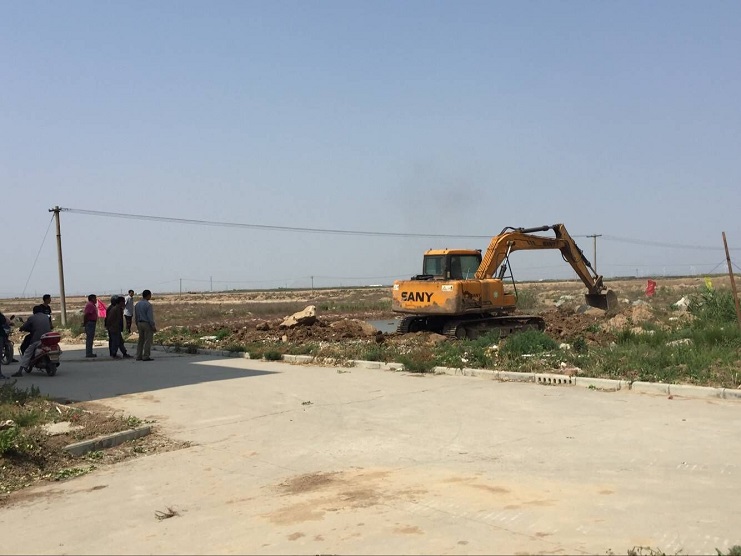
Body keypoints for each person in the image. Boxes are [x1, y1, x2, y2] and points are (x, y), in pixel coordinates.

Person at [14, 305, 52, 376]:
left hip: (38, 339)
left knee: (27, 353)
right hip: (47, 338)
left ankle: (20, 371)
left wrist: (21, 328)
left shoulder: (32, 318)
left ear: (34, 312)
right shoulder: (46, 317)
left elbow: (25, 326)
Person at [134, 289, 156, 361]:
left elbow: (136, 315)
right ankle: (146, 356)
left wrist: (137, 323)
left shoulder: (137, 304)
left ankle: (138, 355)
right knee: (147, 340)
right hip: (146, 323)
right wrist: (153, 325)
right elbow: (150, 317)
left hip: (139, 323)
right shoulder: (148, 305)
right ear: (148, 295)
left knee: (141, 340)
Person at [83, 294, 99, 358]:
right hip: (90, 323)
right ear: (92, 299)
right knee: (89, 339)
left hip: (92, 323)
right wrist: (85, 322)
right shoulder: (90, 305)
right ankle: (89, 353)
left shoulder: (92, 305)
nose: (96, 300)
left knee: (90, 338)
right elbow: (86, 314)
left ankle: (89, 352)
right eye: (95, 298)